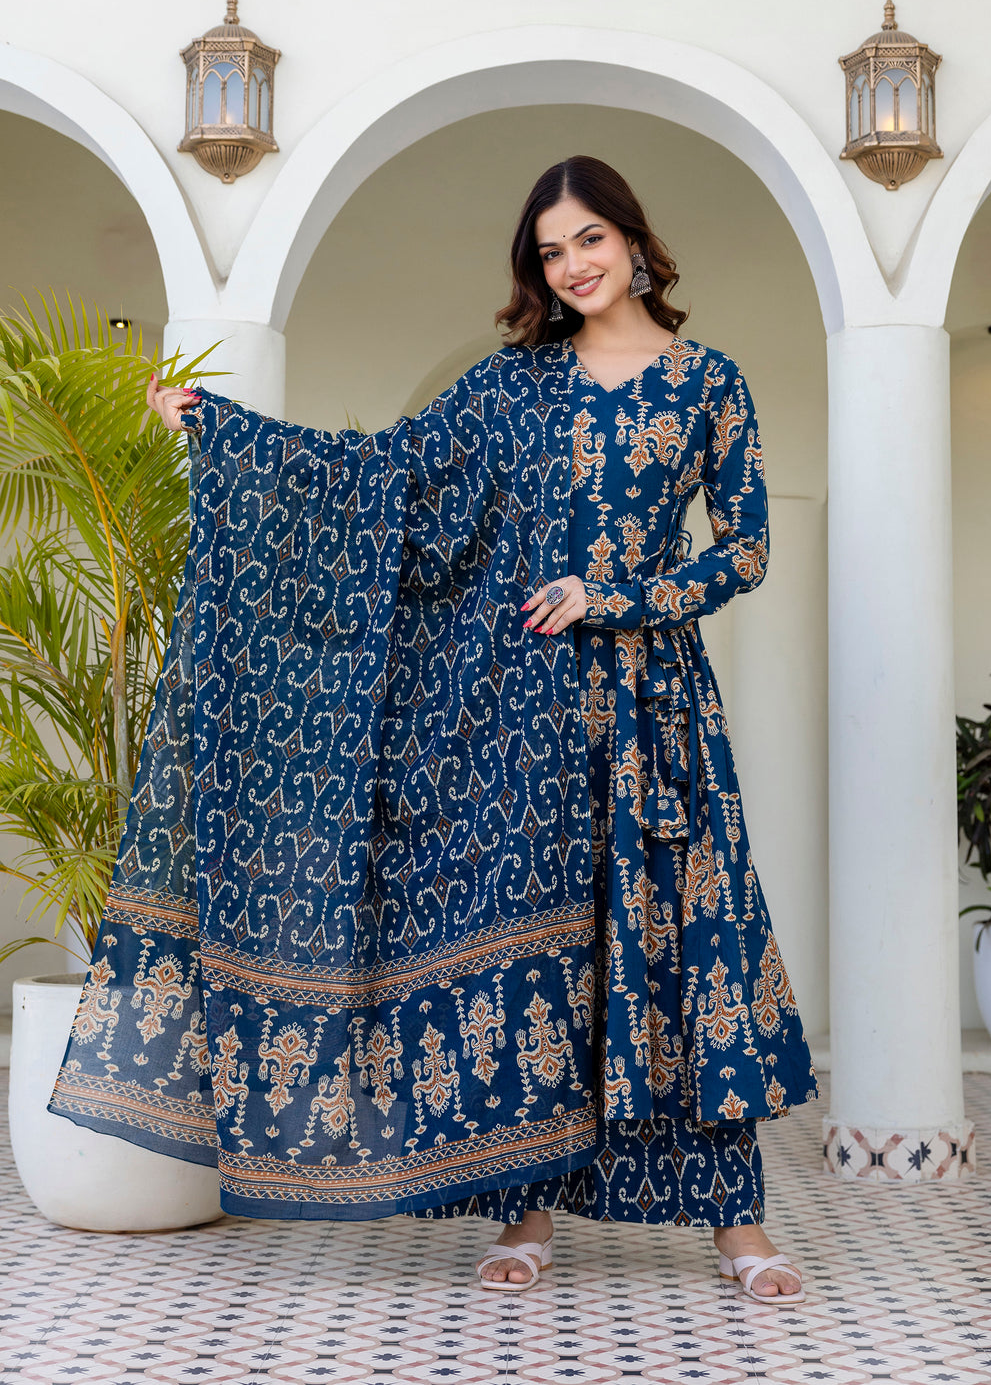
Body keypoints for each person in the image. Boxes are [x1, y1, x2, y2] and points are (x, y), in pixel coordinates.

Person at [52, 156, 816, 1307]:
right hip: (520, 716)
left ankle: (735, 1220)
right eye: (552, 251)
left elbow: (744, 549)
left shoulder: (709, 381)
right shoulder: (512, 385)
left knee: (674, 941)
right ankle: (524, 1210)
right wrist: (223, 430)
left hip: (654, 714)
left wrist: (615, 595)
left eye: (590, 238)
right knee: (532, 954)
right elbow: (383, 475)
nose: (574, 264)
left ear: (635, 241)